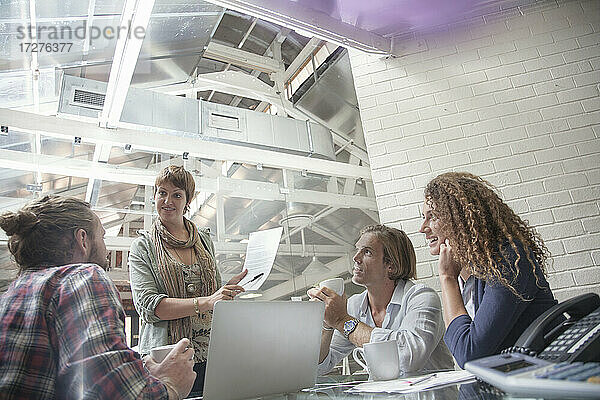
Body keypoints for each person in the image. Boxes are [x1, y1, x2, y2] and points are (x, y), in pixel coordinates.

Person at [0, 195, 195, 399]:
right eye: (102, 237)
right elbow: (117, 396)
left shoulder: (12, 295)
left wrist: (145, 378)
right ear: (82, 239)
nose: (106, 250)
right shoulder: (81, 278)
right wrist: (170, 385)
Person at [129, 165, 247, 396]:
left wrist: (225, 290)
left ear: (188, 200)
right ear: (154, 196)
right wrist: (205, 302)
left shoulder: (203, 240)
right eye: (162, 192)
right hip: (168, 357)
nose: (167, 200)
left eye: (177, 194)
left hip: (212, 353)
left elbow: (212, 295)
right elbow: (149, 307)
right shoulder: (143, 246)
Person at [420, 172, 557, 368]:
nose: (423, 227)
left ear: (459, 218)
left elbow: (468, 354)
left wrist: (447, 278)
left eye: (432, 217)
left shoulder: (508, 260)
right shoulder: (474, 274)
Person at [308, 224, 454, 375]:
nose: (356, 258)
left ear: (390, 265)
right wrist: (328, 323)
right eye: (357, 250)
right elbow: (319, 367)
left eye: (367, 252)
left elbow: (408, 357)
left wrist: (341, 320)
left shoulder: (421, 297)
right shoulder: (354, 305)